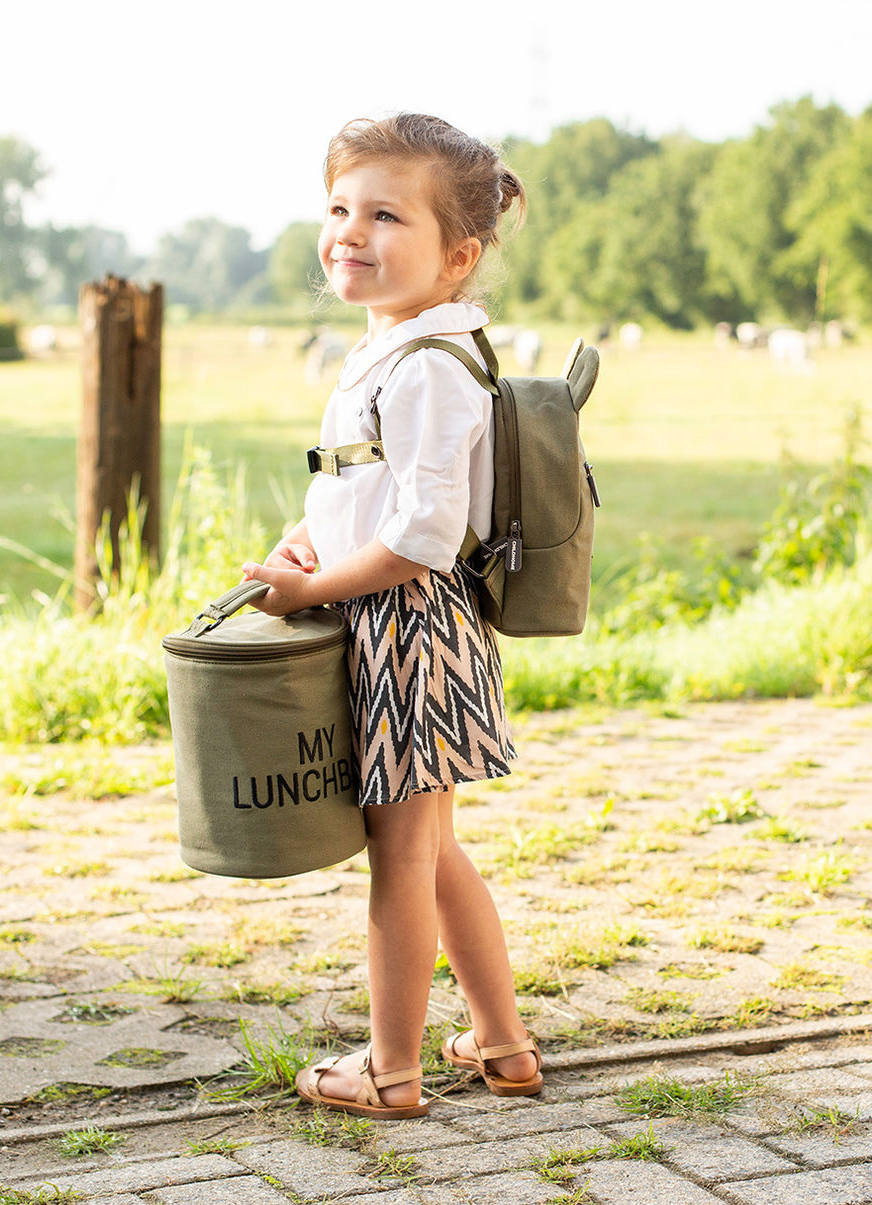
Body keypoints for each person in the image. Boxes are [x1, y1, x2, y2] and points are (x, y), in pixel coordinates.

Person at [241, 113, 542, 1119]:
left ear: (459, 255)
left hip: (409, 627)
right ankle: (501, 1044)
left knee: (403, 858)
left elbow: (422, 532)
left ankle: (391, 1069)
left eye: (385, 214)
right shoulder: (390, 351)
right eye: (339, 208)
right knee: (434, 848)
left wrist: (310, 591)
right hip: (398, 617)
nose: (350, 233)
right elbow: (364, 496)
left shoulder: (424, 368)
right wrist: (306, 540)